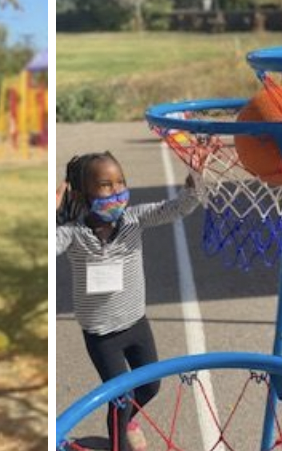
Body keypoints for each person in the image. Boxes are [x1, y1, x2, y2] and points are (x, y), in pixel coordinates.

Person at [55, 151, 202, 451]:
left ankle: (125, 422)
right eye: (106, 185)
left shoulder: (134, 219)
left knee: (150, 386)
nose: (117, 190)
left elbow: (176, 208)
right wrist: (50, 212)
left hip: (136, 322)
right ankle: (118, 441)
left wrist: (194, 183)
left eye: (120, 182)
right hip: (102, 334)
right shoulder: (72, 233)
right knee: (119, 400)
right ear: (84, 194)